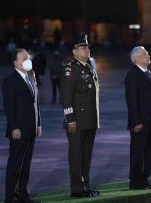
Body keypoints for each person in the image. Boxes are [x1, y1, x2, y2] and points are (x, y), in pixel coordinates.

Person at [62, 35, 100, 198]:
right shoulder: (71, 69)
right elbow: (66, 97)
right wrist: (70, 119)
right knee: (77, 156)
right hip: (76, 122)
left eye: (88, 47)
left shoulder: (89, 67)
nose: (87, 50)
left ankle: (85, 186)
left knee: (86, 156)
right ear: (74, 52)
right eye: (83, 48)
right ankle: (77, 188)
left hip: (90, 120)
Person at [2, 49, 42, 203]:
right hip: (18, 130)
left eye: (29, 57)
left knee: (25, 164)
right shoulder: (10, 80)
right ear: (16, 62)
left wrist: (39, 124)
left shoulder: (31, 77)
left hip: (31, 129)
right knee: (15, 164)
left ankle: (23, 195)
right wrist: (14, 127)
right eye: (25, 58)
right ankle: (10, 197)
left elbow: (36, 104)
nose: (28, 60)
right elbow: (9, 106)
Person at [125, 46, 151, 190]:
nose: (148, 55)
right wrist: (137, 121)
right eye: (145, 54)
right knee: (138, 152)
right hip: (140, 123)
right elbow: (132, 101)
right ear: (137, 59)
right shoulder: (133, 75)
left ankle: (144, 178)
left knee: (149, 152)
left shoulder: (148, 73)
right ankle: (135, 181)